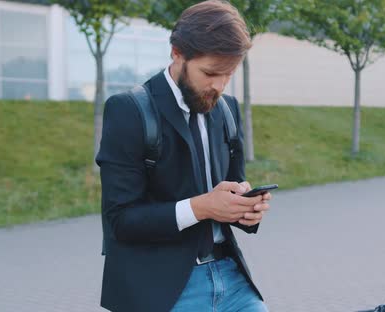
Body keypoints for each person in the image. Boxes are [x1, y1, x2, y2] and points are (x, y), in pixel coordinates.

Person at [96, 1, 272, 311]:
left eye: (228, 74)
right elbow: (121, 220)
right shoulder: (129, 110)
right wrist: (202, 207)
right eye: (210, 73)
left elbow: (233, 183)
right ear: (177, 53)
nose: (218, 85)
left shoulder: (227, 109)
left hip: (231, 281)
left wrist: (246, 210)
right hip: (162, 289)